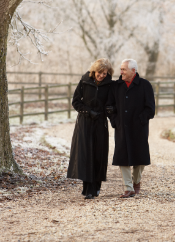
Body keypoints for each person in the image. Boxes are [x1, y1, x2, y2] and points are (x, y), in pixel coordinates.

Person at [106, 59, 155, 198]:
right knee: (123, 157)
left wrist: (141, 120)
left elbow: (150, 109)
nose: (121, 72)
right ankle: (128, 188)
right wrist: (115, 121)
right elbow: (109, 107)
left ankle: (136, 181)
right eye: (121, 69)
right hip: (121, 127)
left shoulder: (145, 85)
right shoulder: (116, 86)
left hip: (139, 128)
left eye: (124, 69)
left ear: (133, 71)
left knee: (140, 158)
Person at [67, 58, 114, 199]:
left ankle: (96, 187)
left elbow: (111, 102)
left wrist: (107, 111)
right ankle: (87, 189)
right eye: (100, 72)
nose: (102, 76)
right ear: (94, 71)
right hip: (85, 123)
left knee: (98, 154)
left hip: (100, 122)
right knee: (86, 154)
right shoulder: (84, 81)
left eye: (105, 73)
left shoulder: (109, 85)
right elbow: (75, 102)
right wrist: (88, 112)